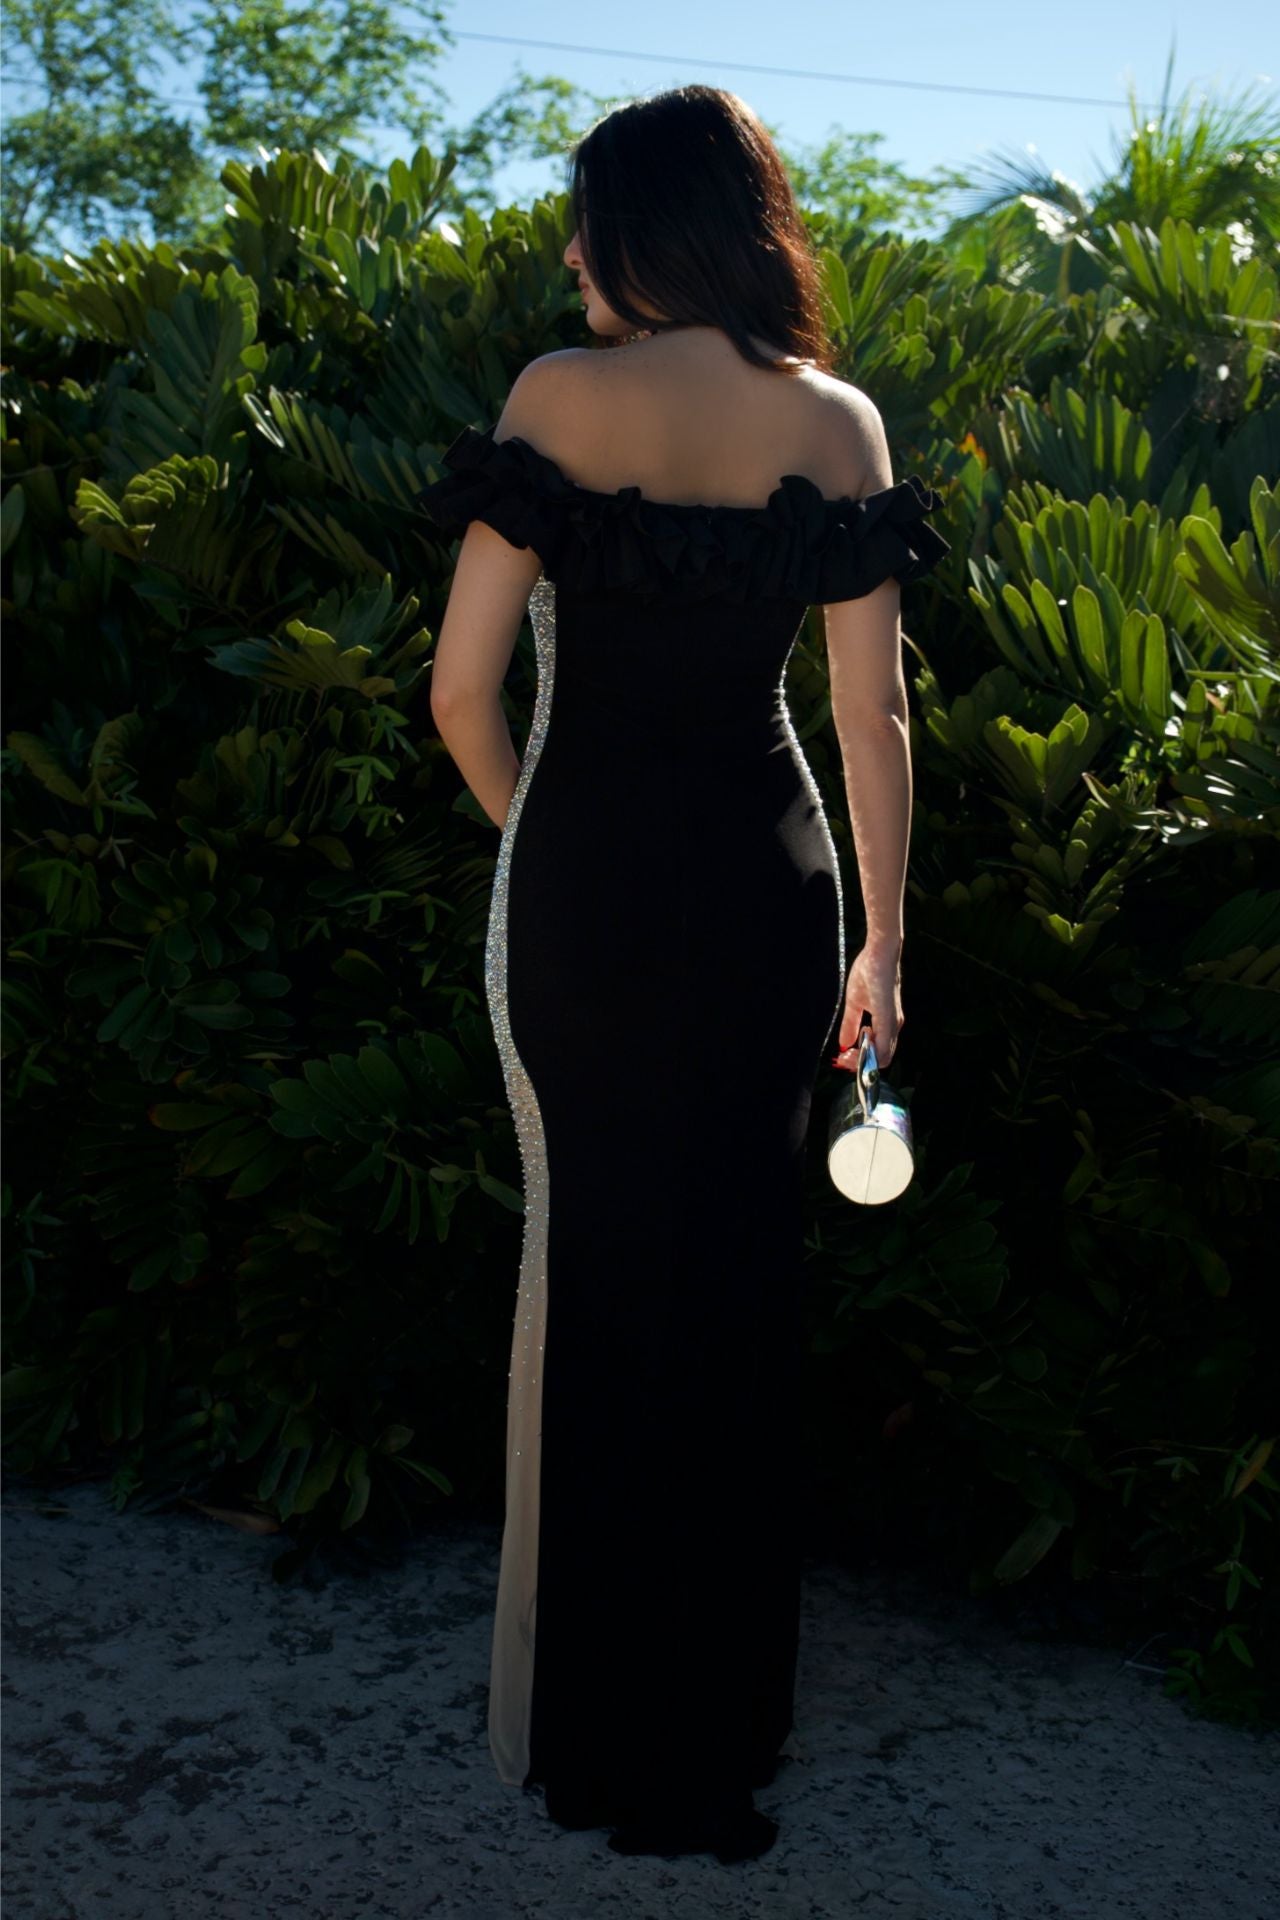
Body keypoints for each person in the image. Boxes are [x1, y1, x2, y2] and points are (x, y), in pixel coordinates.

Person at [416, 83, 950, 1865]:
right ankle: (721, 1717)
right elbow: (869, 717)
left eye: (587, 224)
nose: (570, 259)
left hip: (588, 899)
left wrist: (540, 849)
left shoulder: (561, 401)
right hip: (772, 898)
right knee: (734, 1289)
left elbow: (459, 698)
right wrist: (883, 937)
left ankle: (579, 1724)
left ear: (645, 228)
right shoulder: (842, 422)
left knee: (588, 1276)